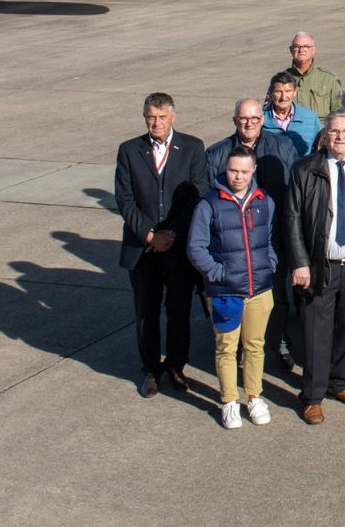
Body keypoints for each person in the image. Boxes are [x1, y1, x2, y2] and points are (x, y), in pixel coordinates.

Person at [114, 92, 209, 397]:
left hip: (178, 249)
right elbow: (125, 200)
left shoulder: (193, 147)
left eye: (162, 117)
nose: (156, 123)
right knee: (146, 312)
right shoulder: (129, 151)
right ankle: (151, 370)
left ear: (173, 117)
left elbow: (197, 195)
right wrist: (151, 235)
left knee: (179, 311)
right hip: (144, 249)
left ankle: (176, 367)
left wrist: (172, 235)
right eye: (151, 117)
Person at [286, 109, 345, 425]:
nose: (340, 137)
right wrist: (300, 262)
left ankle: (340, 384)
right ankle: (312, 396)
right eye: (334, 131)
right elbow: (293, 218)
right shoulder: (305, 169)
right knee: (316, 332)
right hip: (319, 266)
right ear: (325, 135)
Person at [187, 145, 277, 429]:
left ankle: (254, 396)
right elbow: (195, 247)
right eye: (233, 170)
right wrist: (217, 273)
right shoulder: (209, 204)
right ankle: (228, 401)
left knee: (255, 346)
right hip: (226, 292)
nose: (238, 177)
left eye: (244, 171)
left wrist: (270, 263)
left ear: (253, 172)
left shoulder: (265, 201)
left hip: (260, 289)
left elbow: (272, 238)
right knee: (226, 348)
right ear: (225, 170)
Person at [206, 98, 297, 369]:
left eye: (255, 119)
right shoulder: (216, 155)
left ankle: (279, 343)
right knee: (234, 300)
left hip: (270, 240)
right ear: (235, 120)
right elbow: (207, 202)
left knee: (276, 298)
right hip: (232, 245)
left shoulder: (282, 147)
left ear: (263, 120)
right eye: (243, 119)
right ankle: (235, 352)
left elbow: (292, 194)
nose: (249, 124)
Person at [283, 32, 343, 119]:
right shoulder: (280, 80)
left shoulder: (329, 79)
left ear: (313, 50)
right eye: (297, 46)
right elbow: (269, 112)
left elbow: (340, 113)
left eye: (306, 47)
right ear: (291, 50)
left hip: (320, 131)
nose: (301, 50)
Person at [262, 71, 320, 157]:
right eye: (278, 92)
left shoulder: (310, 118)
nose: (283, 97)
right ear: (271, 92)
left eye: (288, 91)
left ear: (295, 92)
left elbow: (320, 149)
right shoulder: (260, 120)